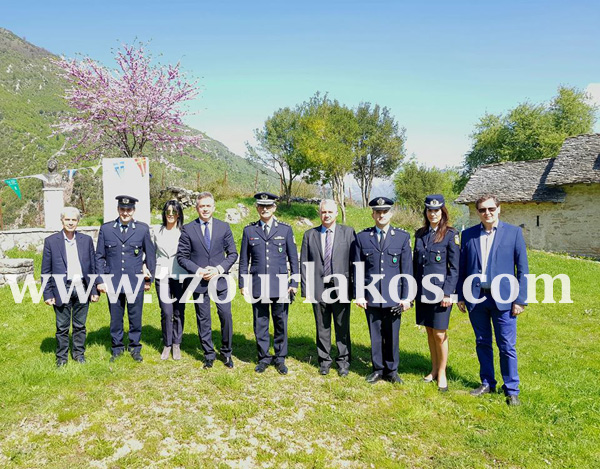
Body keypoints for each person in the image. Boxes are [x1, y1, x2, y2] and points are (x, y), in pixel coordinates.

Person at [457, 194, 528, 406]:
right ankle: (487, 382)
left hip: (505, 298)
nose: (487, 213)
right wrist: (461, 295)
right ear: (478, 212)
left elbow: (523, 269)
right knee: (482, 342)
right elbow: (462, 268)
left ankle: (511, 389)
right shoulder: (468, 235)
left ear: (499, 209)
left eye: (491, 209)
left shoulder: (513, 233)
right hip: (476, 297)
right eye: (482, 210)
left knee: (506, 345)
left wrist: (520, 299)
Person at [353, 197, 412, 384]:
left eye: (385, 211)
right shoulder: (362, 237)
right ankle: (378, 369)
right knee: (375, 334)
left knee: (392, 335)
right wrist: (359, 294)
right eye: (377, 212)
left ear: (391, 213)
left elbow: (407, 270)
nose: (381, 215)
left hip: (394, 297)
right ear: (372, 214)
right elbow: (358, 268)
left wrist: (407, 298)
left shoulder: (402, 237)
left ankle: (392, 371)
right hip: (371, 296)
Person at [239, 192, 299, 375]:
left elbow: (293, 259)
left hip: (280, 284)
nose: (265, 209)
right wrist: (243, 283)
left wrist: (294, 282)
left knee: (281, 322)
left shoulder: (285, 230)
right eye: (261, 206)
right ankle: (264, 357)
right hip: (258, 284)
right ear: (257, 208)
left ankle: (280, 358)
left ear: (274, 207)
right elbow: (244, 260)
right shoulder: (249, 231)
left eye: (268, 206)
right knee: (260, 323)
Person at [177, 192, 238, 369]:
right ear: (197, 208)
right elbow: (182, 257)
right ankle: (209, 354)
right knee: (203, 319)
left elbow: (232, 253)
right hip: (199, 281)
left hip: (220, 280)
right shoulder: (188, 229)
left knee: (226, 316)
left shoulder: (223, 227)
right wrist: (198, 270)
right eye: (202, 206)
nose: (205, 209)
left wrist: (218, 269)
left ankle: (226, 352)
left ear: (214, 207)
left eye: (208, 206)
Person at [96, 195, 156, 363]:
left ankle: (135, 347)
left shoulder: (142, 229)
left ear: (133, 211)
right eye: (122, 209)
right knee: (116, 317)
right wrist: (100, 280)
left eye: (129, 210)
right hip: (113, 281)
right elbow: (99, 256)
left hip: (135, 280)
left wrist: (148, 279)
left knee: (135, 316)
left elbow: (150, 256)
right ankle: (117, 348)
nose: (125, 213)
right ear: (118, 209)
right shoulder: (107, 229)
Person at [300, 199, 356, 377]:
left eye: (330, 212)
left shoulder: (348, 233)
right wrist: (306, 290)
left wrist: (355, 289)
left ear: (336, 214)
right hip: (319, 287)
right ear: (319, 213)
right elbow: (304, 264)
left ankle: (343, 361)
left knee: (342, 326)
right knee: (322, 325)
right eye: (324, 212)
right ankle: (324, 361)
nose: (327, 215)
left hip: (342, 287)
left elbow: (354, 262)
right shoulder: (310, 235)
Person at [42, 207, 99, 367]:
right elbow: (45, 270)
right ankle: (61, 358)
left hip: (82, 286)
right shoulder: (51, 241)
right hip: (62, 287)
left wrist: (94, 290)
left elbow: (93, 266)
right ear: (62, 220)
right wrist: (48, 293)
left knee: (80, 325)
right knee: (62, 326)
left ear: (78, 221)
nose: (70, 223)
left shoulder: (86, 240)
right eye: (67, 219)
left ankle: (79, 354)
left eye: (74, 220)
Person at [413, 194, 459, 392]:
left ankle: (442, 372)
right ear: (426, 212)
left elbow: (454, 268)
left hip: (441, 293)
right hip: (423, 291)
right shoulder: (420, 234)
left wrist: (449, 293)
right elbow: (416, 265)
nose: (433, 214)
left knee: (440, 333)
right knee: (430, 332)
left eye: (436, 210)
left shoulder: (450, 234)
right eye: (430, 210)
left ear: (442, 212)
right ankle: (433, 370)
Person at [152, 200, 187, 361]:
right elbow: (151, 252)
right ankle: (167, 343)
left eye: (174, 212)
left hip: (180, 274)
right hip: (162, 274)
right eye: (168, 212)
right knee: (166, 311)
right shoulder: (156, 231)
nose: (171, 215)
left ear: (179, 214)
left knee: (179, 310)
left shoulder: (184, 231)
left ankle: (176, 343)